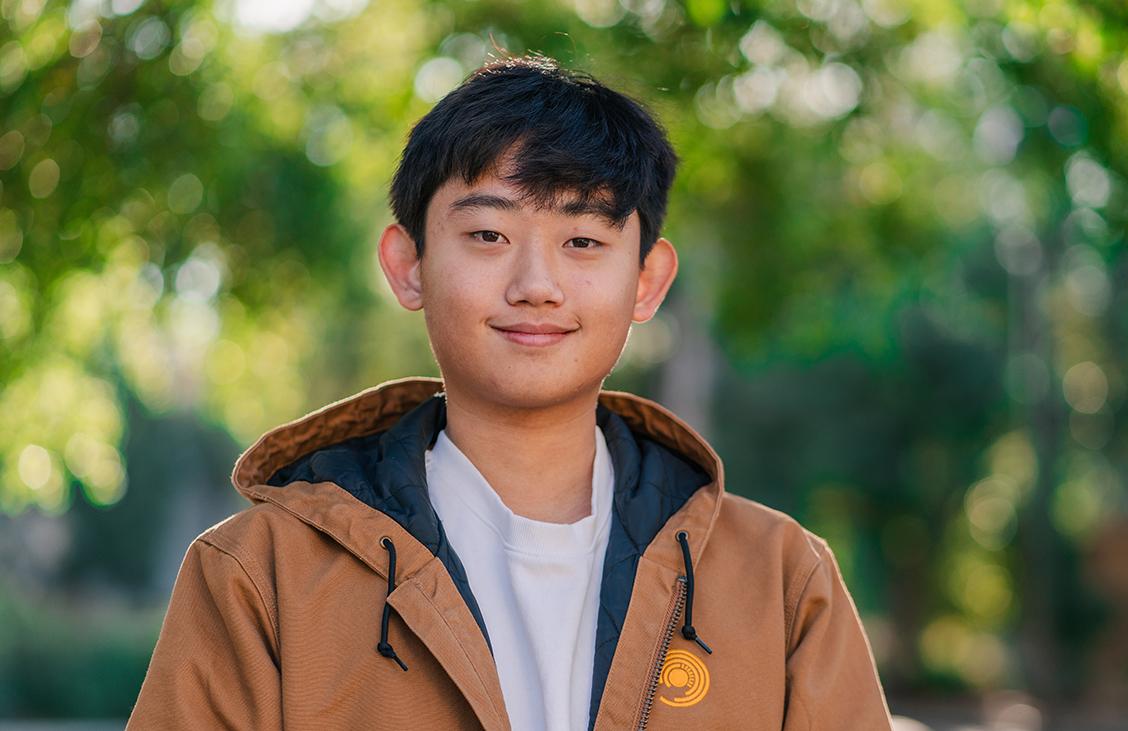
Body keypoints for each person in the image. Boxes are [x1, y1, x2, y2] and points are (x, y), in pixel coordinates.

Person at [127, 53, 893, 730]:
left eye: (584, 242)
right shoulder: (259, 577)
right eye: (489, 236)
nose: (536, 286)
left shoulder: (782, 582)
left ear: (647, 280)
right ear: (408, 264)